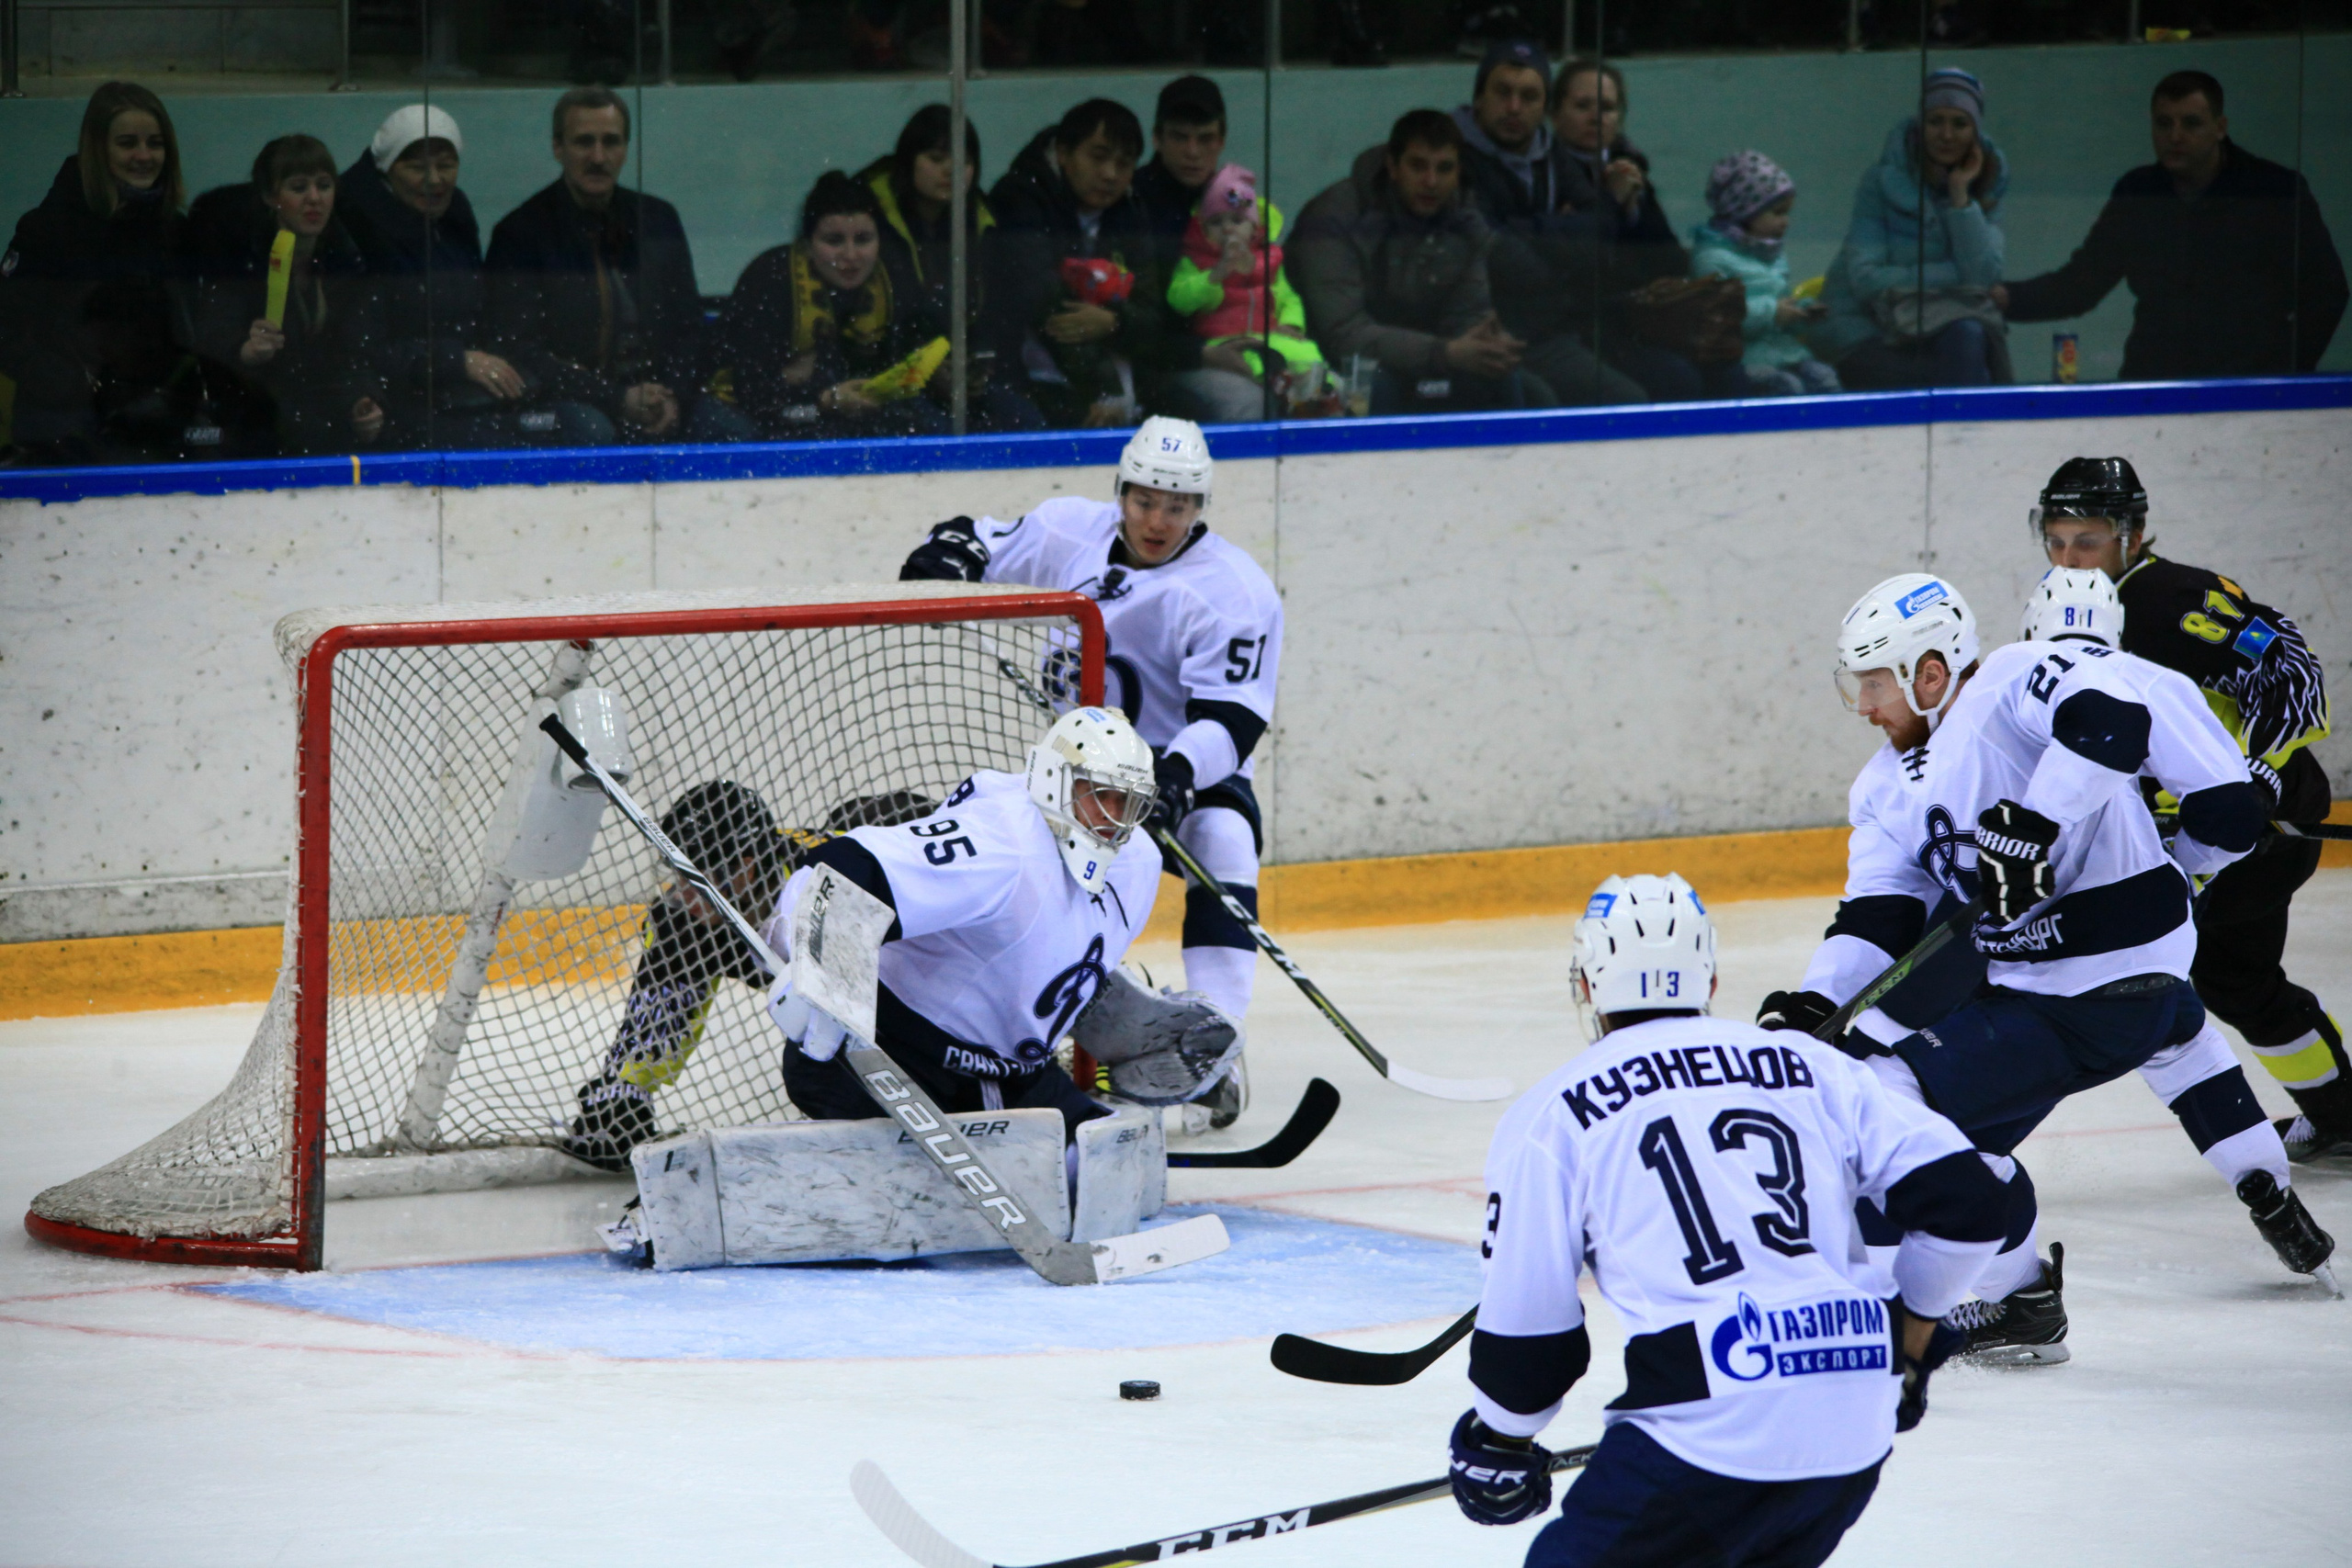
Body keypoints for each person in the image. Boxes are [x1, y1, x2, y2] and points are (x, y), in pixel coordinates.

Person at [1759, 571, 2279, 1359]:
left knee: (1890, 1099)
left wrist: (2035, 824)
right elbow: (1880, 912)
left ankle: (1901, 1313)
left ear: (1928, 673)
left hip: (2109, 976)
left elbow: (2112, 722)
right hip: (2032, 991)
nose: (1863, 707)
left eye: (1873, 686)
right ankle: (2022, 1304)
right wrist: (1814, 1002)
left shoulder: (2006, 682)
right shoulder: (1879, 787)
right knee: (1949, 1135)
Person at [1452, 873, 2008, 1567]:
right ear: (1709, 979)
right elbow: (1974, 1205)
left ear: (1589, 985)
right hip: (1852, 1417)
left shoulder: (1552, 1115)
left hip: (1704, 1430)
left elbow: (1529, 1343)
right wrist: (1907, 1342)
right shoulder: (1811, 1064)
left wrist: (1499, 1439)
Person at [897, 417, 1279, 1131]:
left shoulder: (1234, 590)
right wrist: (947, 558)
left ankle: (1209, 1053)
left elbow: (1235, 720)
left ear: (1200, 507)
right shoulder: (1068, 530)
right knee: (1042, 885)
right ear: (1121, 490)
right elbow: (976, 535)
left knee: (1224, 841)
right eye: (1143, 500)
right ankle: (1048, 1032)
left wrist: (1174, 778)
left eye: (1178, 505)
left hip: (1184, 770)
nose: (1158, 519)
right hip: (1075, 772)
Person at [2008, 566, 2335, 1283]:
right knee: (2187, 1040)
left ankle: (2005, 1275)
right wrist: (2184, 864)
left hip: (2060, 941)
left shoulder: (2014, 681)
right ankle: (2270, 1183)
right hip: (2157, 925)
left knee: (1991, 1074)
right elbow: (2226, 817)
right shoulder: (2155, 680)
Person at [2031, 457, 2346, 1164]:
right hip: (2215, 834)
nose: (2069, 558)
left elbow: (2289, 667)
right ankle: (2340, 1112)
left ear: (2132, 534)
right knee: (2240, 981)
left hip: (2253, 832)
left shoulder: (2173, 597)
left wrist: (2256, 773)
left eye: (2087, 541)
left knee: (2156, 973)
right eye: (2056, 540)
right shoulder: (2074, 608)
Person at [766, 708, 1242, 1142]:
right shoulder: (1001, 842)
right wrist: (823, 976)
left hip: (1014, 1072)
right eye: (1102, 798)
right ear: (1058, 783)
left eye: (1130, 803)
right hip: (890, 1055)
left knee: (1111, 1160)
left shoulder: (1138, 861)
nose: (1114, 821)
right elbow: (841, 866)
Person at [567, 782, 932, 1169]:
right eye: (676, 870)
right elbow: (660, 1012)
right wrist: (622, 1097)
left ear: (746, 864)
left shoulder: (832, 883)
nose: (683, 892)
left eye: (697, 873)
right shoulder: (685, 923)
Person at [1997, 71, 2346, 380]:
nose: (2175, 135)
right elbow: (2081, 284)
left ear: (2219, 128)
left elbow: (2326, 292)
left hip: (2246, 384)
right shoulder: (2138, 192)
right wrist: (2004, 299)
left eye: (2190, 123)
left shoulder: (2273, 192)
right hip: (2153, 383)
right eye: (2164, 123)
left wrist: (2283, 373)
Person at [336, 105, 594, 452]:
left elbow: (487, 317)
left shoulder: (454, 215)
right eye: (416, 167)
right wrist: (457, 362)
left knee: (583, 423)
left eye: (446, 165)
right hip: (408, 407)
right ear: (386, 172)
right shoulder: (359, 235)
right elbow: (363, 350)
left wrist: (544, 363)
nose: (435, 180)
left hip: (466, 396)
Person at [0, 81, 223, 464]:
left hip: (157, 432)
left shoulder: (176, 231)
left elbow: (190, 331)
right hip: (62, 434)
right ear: (97, 149)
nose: (143, 155)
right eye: (127, 143)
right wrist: (67, 386)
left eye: (155, 143)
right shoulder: (48, 230)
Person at [484, 87, 705, 446]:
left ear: (626, 149)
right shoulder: (520, 234)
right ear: (558, 148)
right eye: (584, 142)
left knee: (729, 430)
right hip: (570, 402)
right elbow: (518, 350)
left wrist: (672, 396)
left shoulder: (658, 219)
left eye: (611, 142)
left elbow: (689, 328)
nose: (598, 157)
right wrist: (617, 399)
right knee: (593, 433)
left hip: (656, 395)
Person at [1292, 109, 1546, 416]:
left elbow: (1466, 314)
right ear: (1392, 166)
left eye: (1444, 169)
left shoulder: (1463, 219)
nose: (1431, 181)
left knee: (1524, 390)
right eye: (1418, 166)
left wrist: (1485, 344)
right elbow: (1344, 335)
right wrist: (1445, 352)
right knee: (1377, 390)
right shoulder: (1335, 217)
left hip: (1425, 357)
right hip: (1329, 364)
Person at [702, 173, 955, 443]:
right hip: (751, 409)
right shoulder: (771, 278)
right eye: (834, 241)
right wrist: (825, 400)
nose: (850, 255)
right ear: (808, 245)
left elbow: (917, 347)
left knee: (936, 427)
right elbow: (754, 396)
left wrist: (942, 374)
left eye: (863, 239)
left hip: (852, 408)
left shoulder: (892, 277)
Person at [187, 134, 389, 457]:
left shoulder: (349, 259)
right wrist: (244, 350)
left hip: (327, 431)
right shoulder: (241, 258)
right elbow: (209, 339)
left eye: (324, 186)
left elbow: (357, 351)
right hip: (256, 434)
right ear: (270, 196)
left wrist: (363, 401)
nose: (314, 199)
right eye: (299, 188)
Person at [1815, 68, 2010, 389]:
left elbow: (1983, 275)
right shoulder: (1880, 181)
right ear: (1921, 126)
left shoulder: (1986, 183)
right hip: (1864, 330)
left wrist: (1960, 198)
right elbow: (1867, 280)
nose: (1946, 135)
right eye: (1936, 121)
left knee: (1969, 335)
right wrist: (1957, 278)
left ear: (1975, 131)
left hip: (1933, 328)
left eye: (1959, 123)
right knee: (1964, 375)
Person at [856, 107, 1046, 435]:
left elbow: (995, 318)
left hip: (961, 378)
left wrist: (977, 372)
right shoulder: (868, 220)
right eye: (935, 158)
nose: (951, 171)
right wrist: (924, 370)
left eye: (965, 162)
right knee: (934, 432)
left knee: (1025, 421)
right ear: (908, 161)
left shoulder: (983, 223)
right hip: (887, 379)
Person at [987, 98, 1172, 428]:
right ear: (1063, 154)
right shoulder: (1021, 199)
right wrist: (1103, 393)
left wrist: (1115, 323)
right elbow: (1048, 310)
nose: (1111, 175)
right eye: (1098, 158)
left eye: (1124, 164)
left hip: (1114, 372)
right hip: (1028, 371)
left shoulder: (1130, 209)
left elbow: (1152, 316)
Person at [1537, 58, 1709, 403]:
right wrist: (1609, 206)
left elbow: (1671, 262)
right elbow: (1574, 270)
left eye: (1608, 108)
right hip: (1581, 330)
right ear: (1555, 114)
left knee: (1723, 369)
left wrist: (1633, 210)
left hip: (1639, 324)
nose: (1596, 117)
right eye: (1582, 105)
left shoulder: (1629, 171)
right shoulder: (1543, 173)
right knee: (1677, 382)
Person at [1165, 164, 1328, 423]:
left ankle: (1315, 396)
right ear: (1203, 230)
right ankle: (1283, 390)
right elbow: (1179, 299)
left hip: (1269, 335)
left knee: (1308, 354)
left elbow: (1287, 296)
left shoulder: (1270, 260)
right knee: (1259, 365)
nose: (1228, 229)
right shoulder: (1195, 261)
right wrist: (1214, 276)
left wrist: (1290, 323)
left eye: (1237, 221)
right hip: (1223, 341)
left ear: (1254, 228)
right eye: (1216, 222)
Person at [1689, 151, 1841, 398]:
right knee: (1787, 389)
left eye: (1787, 213)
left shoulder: (1770, 253)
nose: (1786, 222)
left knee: (1825, 379)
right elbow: (1716, 318)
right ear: (1745, 212)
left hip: (1785, 351)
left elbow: (1783, 305)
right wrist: (1772, 313)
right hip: (1743, 358)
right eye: (1778, 212)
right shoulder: (1711, 259)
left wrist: (1802, 312)